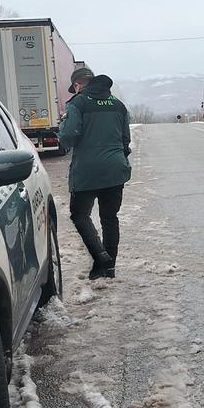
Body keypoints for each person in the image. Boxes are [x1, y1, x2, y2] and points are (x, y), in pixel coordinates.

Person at [59, 67, 131, 279]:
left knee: (80, 215)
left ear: (78, 85)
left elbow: (68, 136)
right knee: (110, 217)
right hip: (115, 170)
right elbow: (126, 140)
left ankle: (100, 257)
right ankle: (110, 268)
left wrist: (62, 129)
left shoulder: (78, 103)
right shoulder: (118, 105)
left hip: (87, 172)